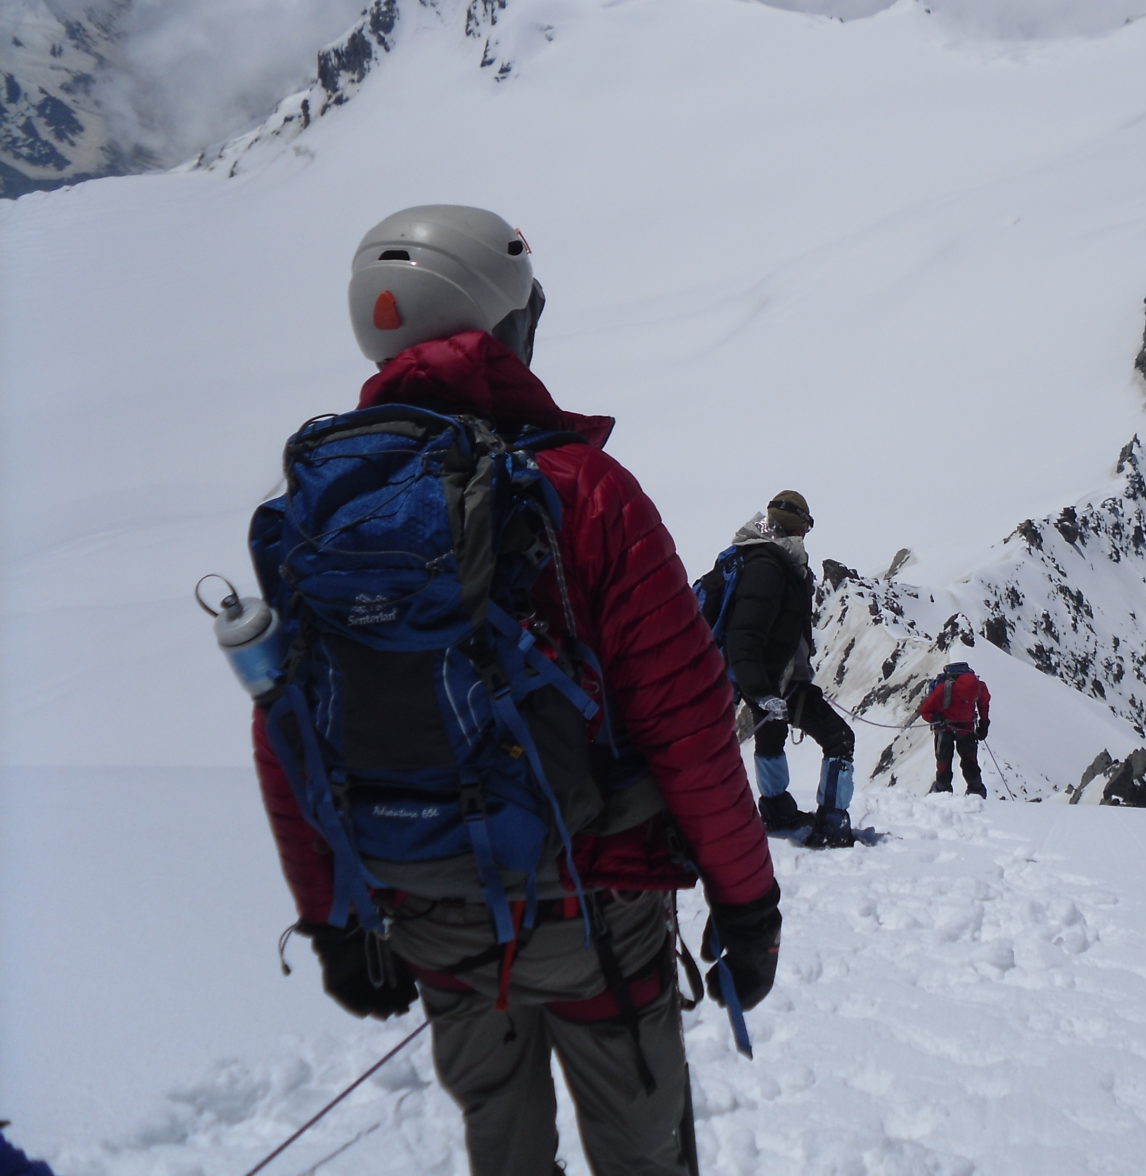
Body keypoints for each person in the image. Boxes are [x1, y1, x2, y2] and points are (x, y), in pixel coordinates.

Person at [251, 204, 779, 1176]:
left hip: (430, 914)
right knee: (642, 1149)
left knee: (501, 1145)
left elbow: (287, 731)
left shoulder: (318, 511)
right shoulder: (586, 493)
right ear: (507, 327)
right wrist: (747, 906)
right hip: (592, 913)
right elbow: (690, 728)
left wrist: (333, 921)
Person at [718, 492, 860, 849]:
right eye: (807, 525)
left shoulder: (763, 558)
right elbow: (744, 636)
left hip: (770, 681)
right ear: (797, 526)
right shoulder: (769, 567)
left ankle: (777, 810)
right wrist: (763, 692)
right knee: (839, 738)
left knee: (771, 738)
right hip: (773, 683)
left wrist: (761, 689)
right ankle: (832, 824)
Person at [919, 660, 992, 798]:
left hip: (949, 727)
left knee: (948, 760)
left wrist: (984, 723)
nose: (968, 700)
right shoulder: (945, 689)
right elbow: (925, 711)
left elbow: (924, 711)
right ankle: (975, 791)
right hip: (954, 726)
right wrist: (984, 722)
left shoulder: (977, 687)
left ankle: (942, 791)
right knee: (962, 760)